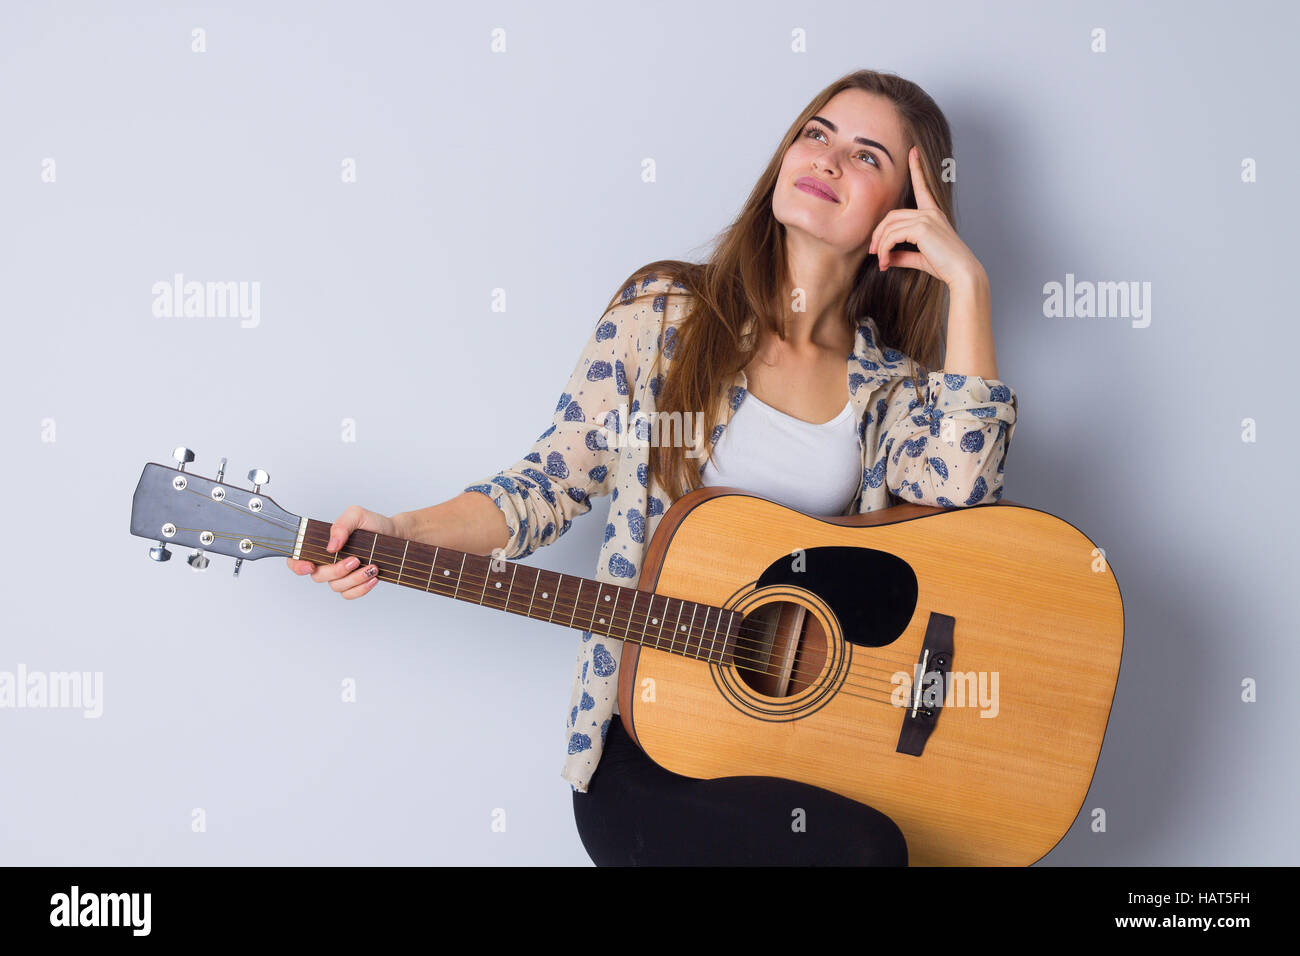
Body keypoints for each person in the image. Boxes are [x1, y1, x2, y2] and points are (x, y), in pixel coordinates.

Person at [286, 68, 1018, 866]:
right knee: (865, 852)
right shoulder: (665, 314)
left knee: (872, 842)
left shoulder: (894, 392)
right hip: (648, 750)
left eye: (867, 155)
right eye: (816, 132)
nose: (829, 158)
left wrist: (968, 285)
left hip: (799, 753)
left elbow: (960, 524)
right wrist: (402, 532)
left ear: (907, 211)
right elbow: (547, 485)